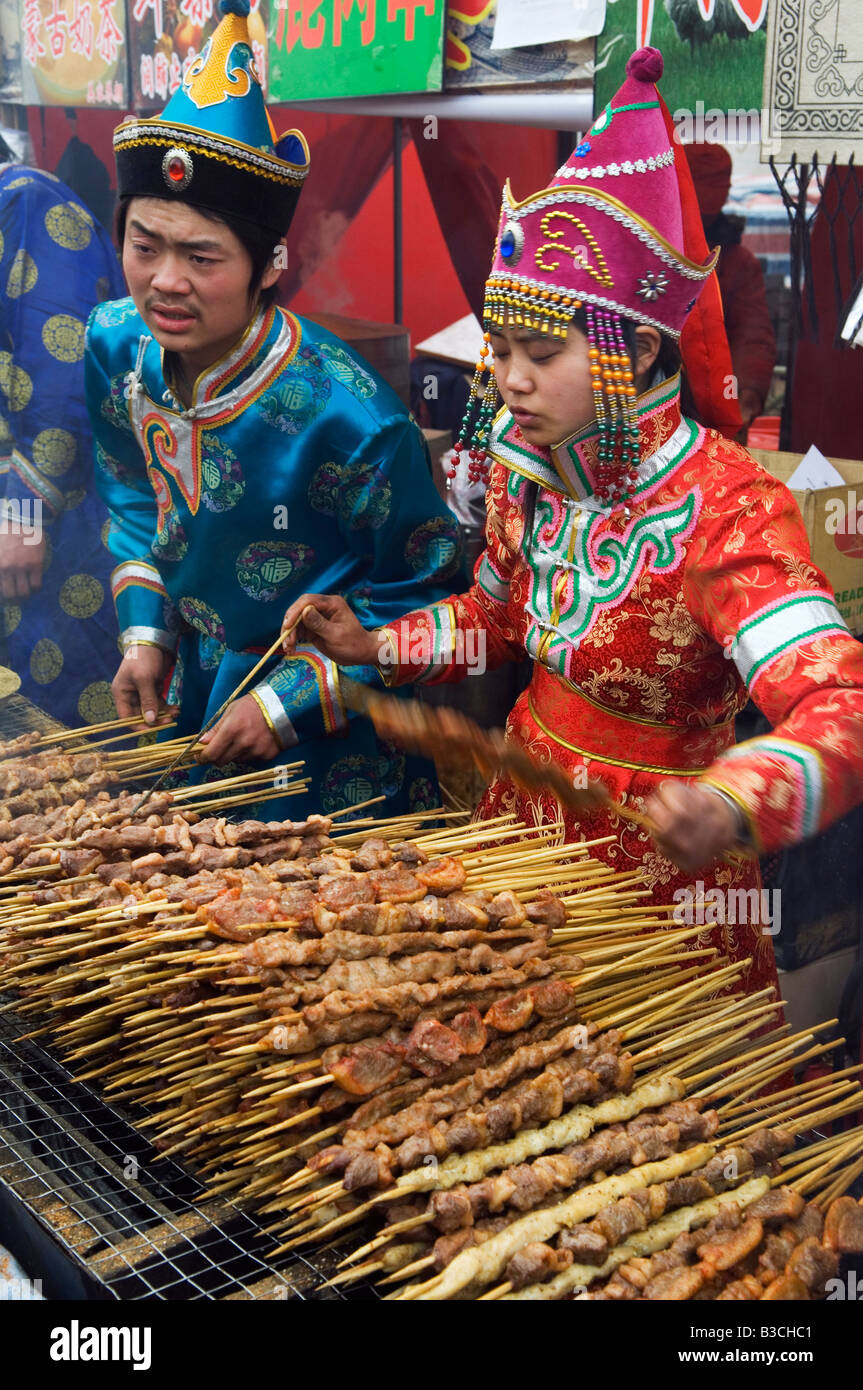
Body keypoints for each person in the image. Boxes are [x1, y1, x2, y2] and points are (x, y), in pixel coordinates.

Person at [281, 47, 863, 998]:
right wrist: (376, 641)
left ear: (631, 349)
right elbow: (494, 618)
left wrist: (733, 796)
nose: (507, 380)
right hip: (521, 816)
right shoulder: (529, 474)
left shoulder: (726, 507)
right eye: (497, 349)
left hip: (664, 871)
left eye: (538, 354)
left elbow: (841, 704)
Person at [86, 0, 462, 820]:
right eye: (144, 245)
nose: (164, 282)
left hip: (324, 736)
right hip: (188, 693)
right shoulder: (113, 344)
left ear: (269, 265)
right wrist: (145, 629)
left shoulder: (351, 419)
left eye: (202, 256)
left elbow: (425, 591)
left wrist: (290, 700)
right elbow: (126, 489)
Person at [0, 159, 125, 726]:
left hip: (57, 519)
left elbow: (59, 359)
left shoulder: (26, 204)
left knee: (72, 733)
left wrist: (23, 512)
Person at [684, 142, 777, 435]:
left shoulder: (738, 262)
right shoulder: (648, 250)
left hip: (715, 411)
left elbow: (752, 336)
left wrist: (745, 395)